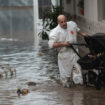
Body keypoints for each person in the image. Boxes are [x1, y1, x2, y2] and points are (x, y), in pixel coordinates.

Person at [48, 14, 88, 87]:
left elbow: (77, 29)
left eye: (65, 21)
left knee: (78, 72)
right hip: (64, 55)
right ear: (58, 22)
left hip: (74, 52)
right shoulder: (55, 32)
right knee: (66, 77)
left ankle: (78, 92)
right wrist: (63, 44)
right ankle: (66, 93)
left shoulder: (72, 24)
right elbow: (51, 45)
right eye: (62, 22)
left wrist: (83, 34)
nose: (64, 23)